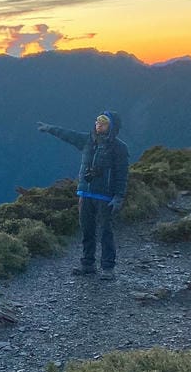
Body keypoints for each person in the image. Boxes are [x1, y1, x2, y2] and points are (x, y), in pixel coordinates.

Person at [37, 111, 129, 279]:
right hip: (85, 194)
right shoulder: (88, 140)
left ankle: (108, 268)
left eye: (103, 122)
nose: (98, 124)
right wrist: (50, 129)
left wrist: (118, 197)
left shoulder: (119, 148)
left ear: (112, 126)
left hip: (105, 197)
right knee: (87, 230)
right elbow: (67, 134)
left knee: (105, 231)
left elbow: (122, 176)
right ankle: (88, 265)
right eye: (97, 121)